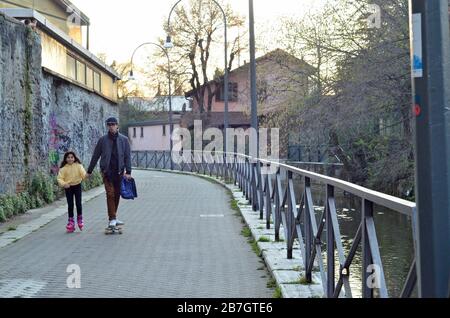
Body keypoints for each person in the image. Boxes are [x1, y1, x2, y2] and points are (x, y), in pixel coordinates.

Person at [86, 117, 132, 228]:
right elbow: (96, 155)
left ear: (117, 126)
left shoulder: (124, 140)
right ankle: (112, 218)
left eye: (113, 124)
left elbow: (127, 157)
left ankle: (114, 217)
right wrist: (89, 171)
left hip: (119, 171)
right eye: (109, 124)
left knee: (117, 194)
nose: (111, 126)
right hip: (107, 172)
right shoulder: (103, 140)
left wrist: (128, 171)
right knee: (110, 194)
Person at [57, 151, 87, 233]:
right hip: (68, 187)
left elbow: (83, 174)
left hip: (77, 185)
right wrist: (64, 184)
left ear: (74, 158)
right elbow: (59, 178)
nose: (70, 159)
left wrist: (86, 175)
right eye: (68, 157)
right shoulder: (63, 169)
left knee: (78, 203)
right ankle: (71, 222)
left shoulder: (78, 166)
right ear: (65, 159)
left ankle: (80, 219)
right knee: (70, 204)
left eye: (72, 157)